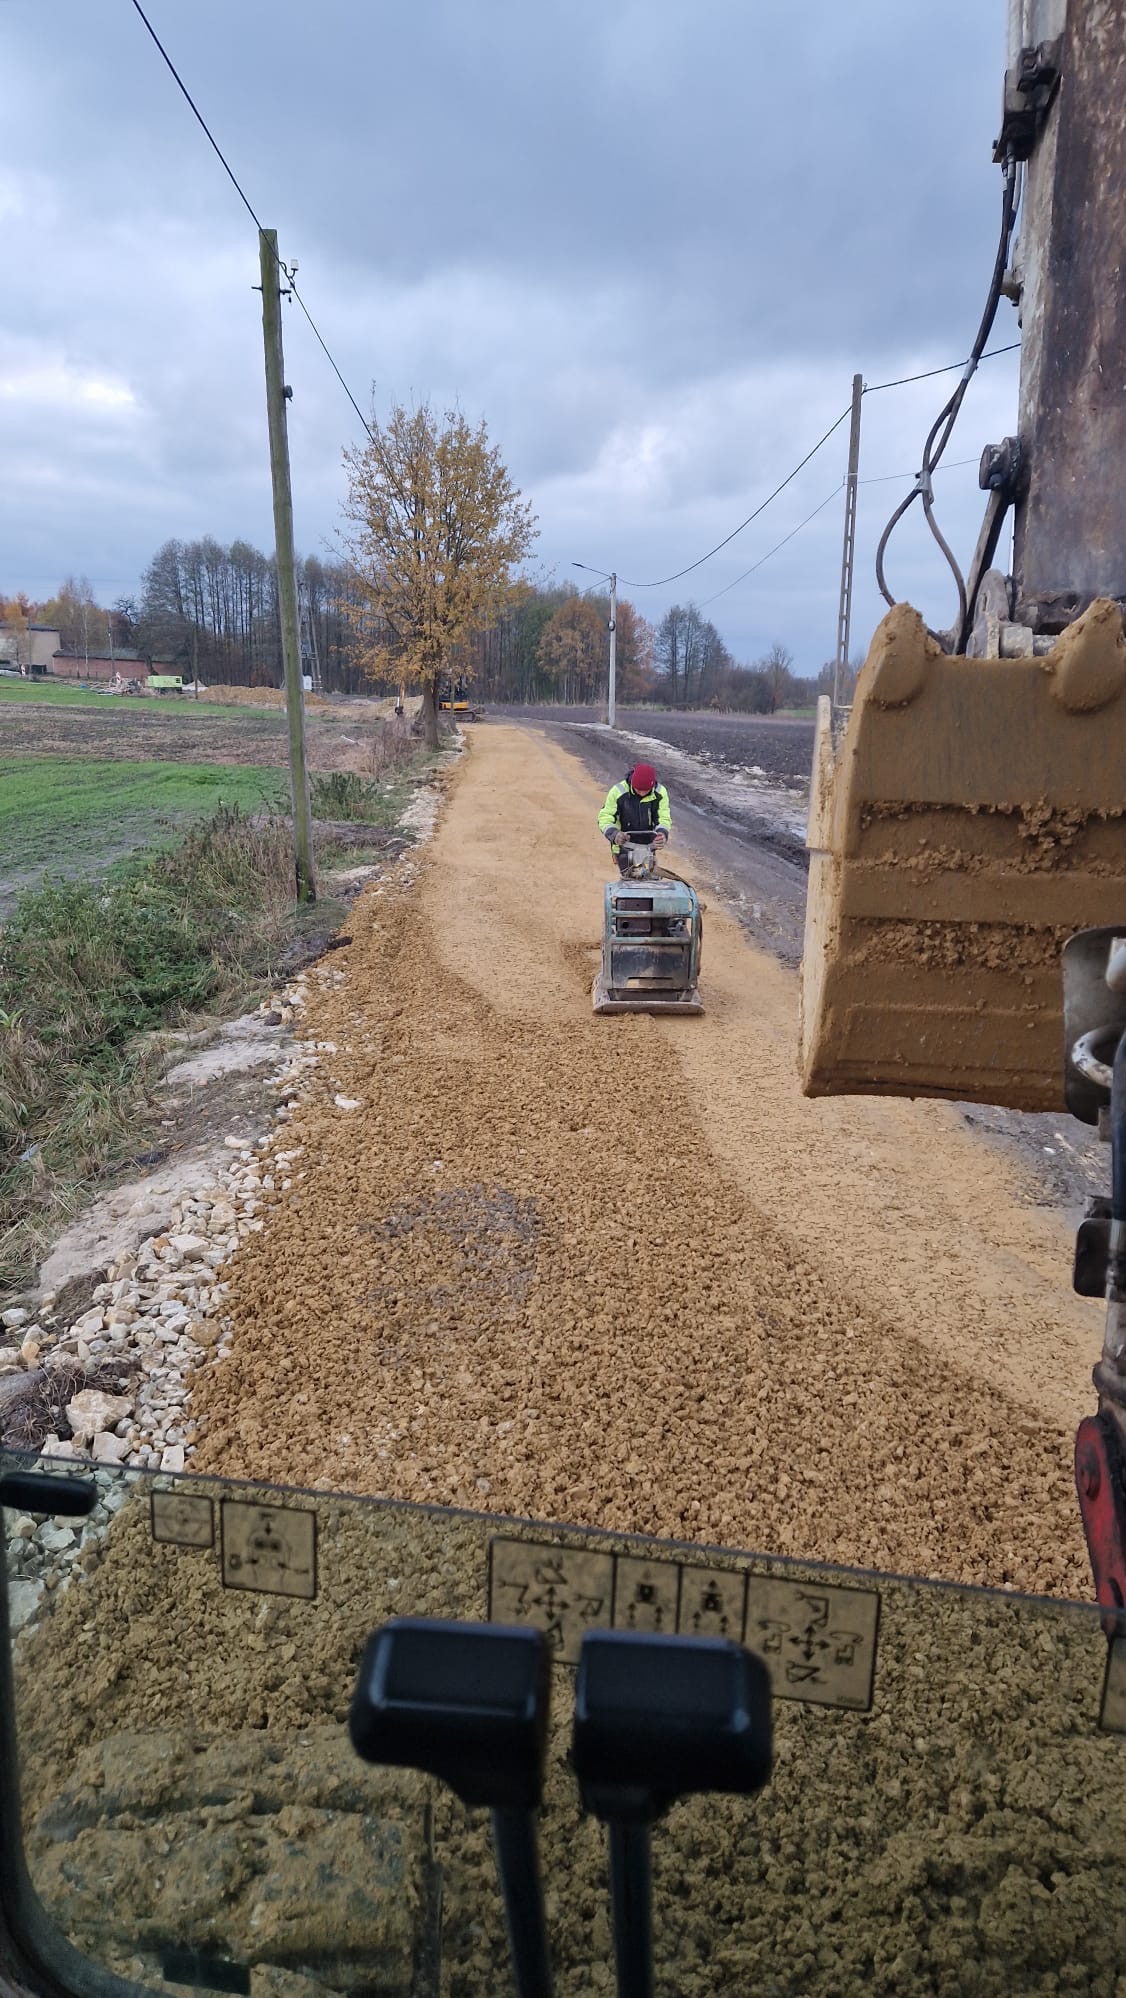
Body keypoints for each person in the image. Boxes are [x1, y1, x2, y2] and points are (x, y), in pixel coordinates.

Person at [597, 762, 672, 874]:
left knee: (647, 879)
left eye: (646, 790)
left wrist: (662, 834)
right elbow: (605, 817)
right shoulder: (618, 791)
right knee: (630, 879)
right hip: (623, 846)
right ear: (632, 784)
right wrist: (614, 834)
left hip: (648, 847)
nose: (642, 793)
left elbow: (663, 817)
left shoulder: (660, 793)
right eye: (638, 790)